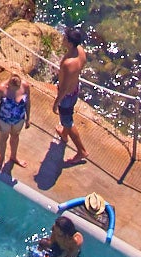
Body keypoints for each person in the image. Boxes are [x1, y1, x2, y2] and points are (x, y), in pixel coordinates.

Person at [54, 27, 88, 164]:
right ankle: (64, 134)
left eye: (65, 37)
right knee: (66, 120)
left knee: (68, 121)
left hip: (66, 96)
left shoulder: (68, 64)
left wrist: (56, 102)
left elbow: (64, 88)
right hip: (75, 90)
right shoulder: (81, 51)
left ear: (69, 42)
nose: (62, 38)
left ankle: (81, 151)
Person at [0, 74, 30, 174]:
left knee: (15, 136)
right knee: (3, 138)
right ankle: (1, 159)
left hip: (19, 119)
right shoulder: (1, 89)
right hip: (4, 120)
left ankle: (13, 157)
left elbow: (28, 102)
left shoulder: (25, 86)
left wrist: (28, 118)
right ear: (9, 85)